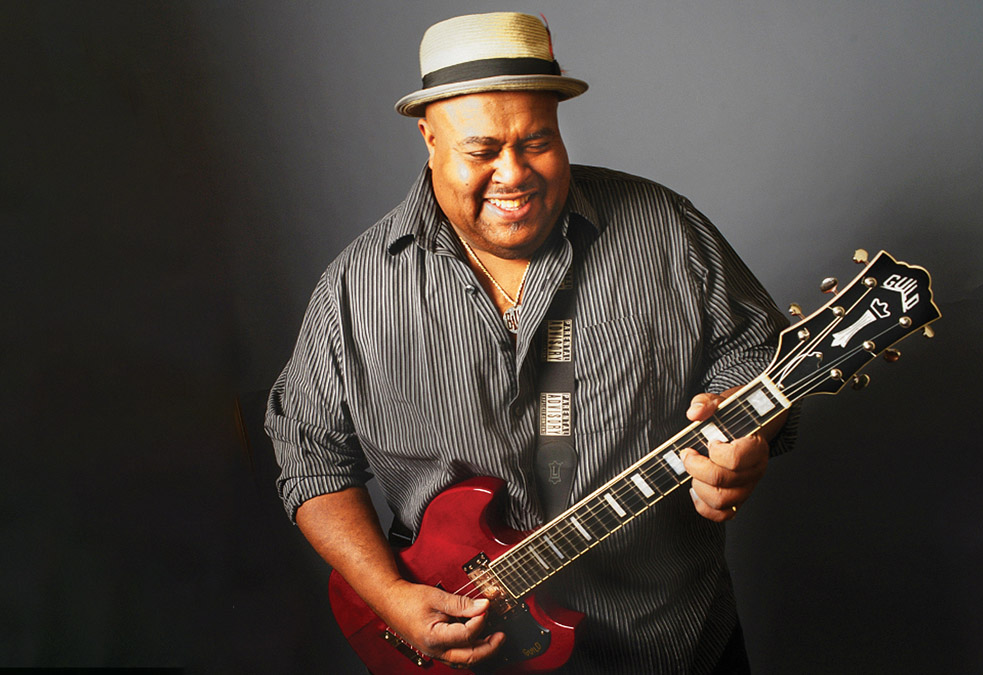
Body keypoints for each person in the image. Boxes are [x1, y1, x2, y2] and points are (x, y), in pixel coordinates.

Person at [266, 12, 797, 674]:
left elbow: (758, 356)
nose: (514, 174)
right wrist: (389, 594)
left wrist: (752, 434)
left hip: (673, 642)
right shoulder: (353, 289)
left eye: (538, 141)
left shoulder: (668, 231)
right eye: (482, 150)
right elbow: (310, 454)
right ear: (429, 137)